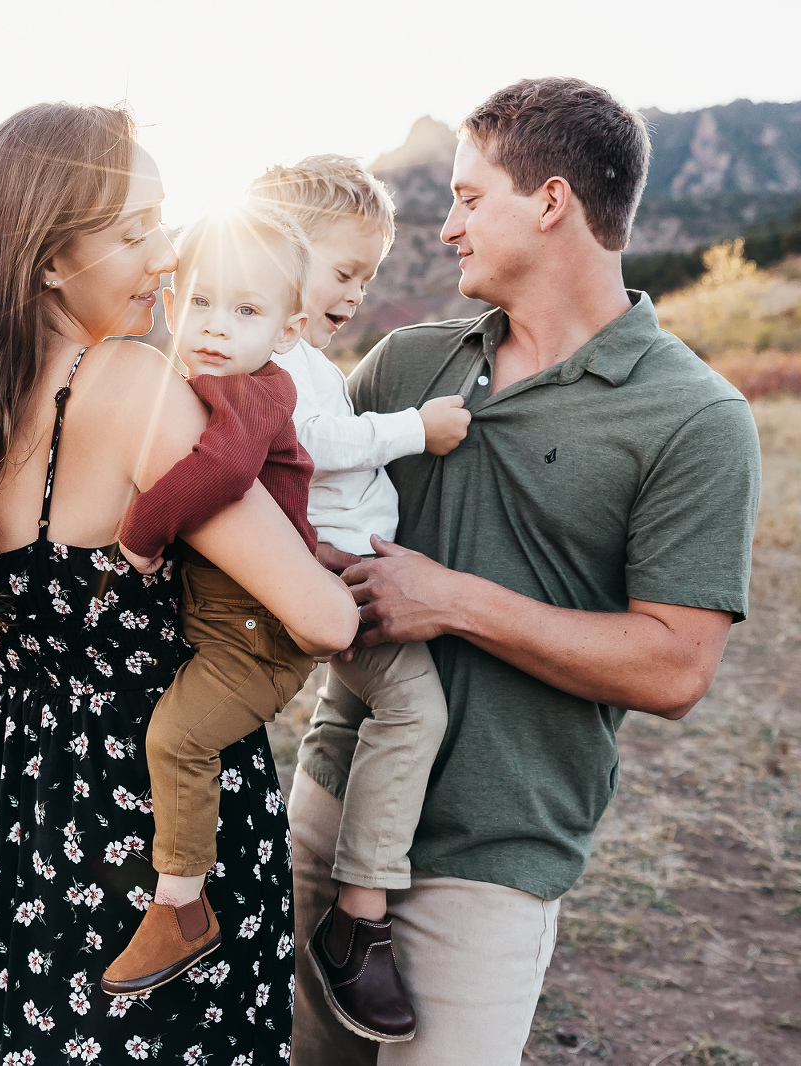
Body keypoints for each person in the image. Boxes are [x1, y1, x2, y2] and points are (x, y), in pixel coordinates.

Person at [0, 103, 358, 1066]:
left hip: (29, 800)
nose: (167, 257)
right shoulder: (130, 385)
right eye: (136, 232)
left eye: (165, 224)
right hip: (160, 823)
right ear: (49, 259)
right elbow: (317, 614)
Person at [289, 77, 762, 1066]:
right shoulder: (401, 368)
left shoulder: (693, 417)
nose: (449, 227)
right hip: (329, 815)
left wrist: (452, 602)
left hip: (495, 864)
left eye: (469, 198)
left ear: (549, 202)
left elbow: (674, 667)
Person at [250, 157, 471, 1044]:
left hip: (342, 571)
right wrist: (419, 428)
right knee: (416, 709)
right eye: (344, 272)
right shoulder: (273, 361)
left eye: (368, 277)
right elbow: (311, 442)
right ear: (278, 255)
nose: (355, 293)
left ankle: (353, 903)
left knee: (404, 709)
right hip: (330, 579)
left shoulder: (303, 355)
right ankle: (360, 911)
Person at [100, 204, 322, 995]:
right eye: (198, 300)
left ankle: (182, 907)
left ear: (288, 331)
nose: (216, 326)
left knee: (178, 740)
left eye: (247, 310)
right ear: (169, 303)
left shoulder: (254, 393)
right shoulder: (189, 384)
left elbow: (224, 475)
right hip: (227, 620)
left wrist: (142, 533)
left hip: (259, 635)